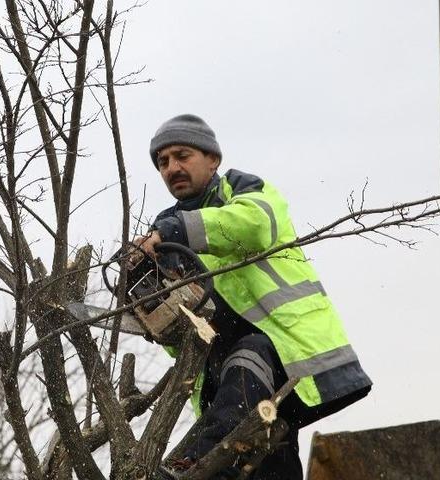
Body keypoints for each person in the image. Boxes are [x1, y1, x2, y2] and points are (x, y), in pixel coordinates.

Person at [135, 114, 372, 479]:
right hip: (225, 385)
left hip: (289, 355)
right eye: (163, 162)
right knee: (264, 464)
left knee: (248, 359)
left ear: (212, 159)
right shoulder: (165, 231)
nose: (172, 168)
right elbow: (180, 337)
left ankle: (193, 463)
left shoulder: (243, 189)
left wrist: (174, 231)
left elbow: (253, 226)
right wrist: (151, 304)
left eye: (182, 156)